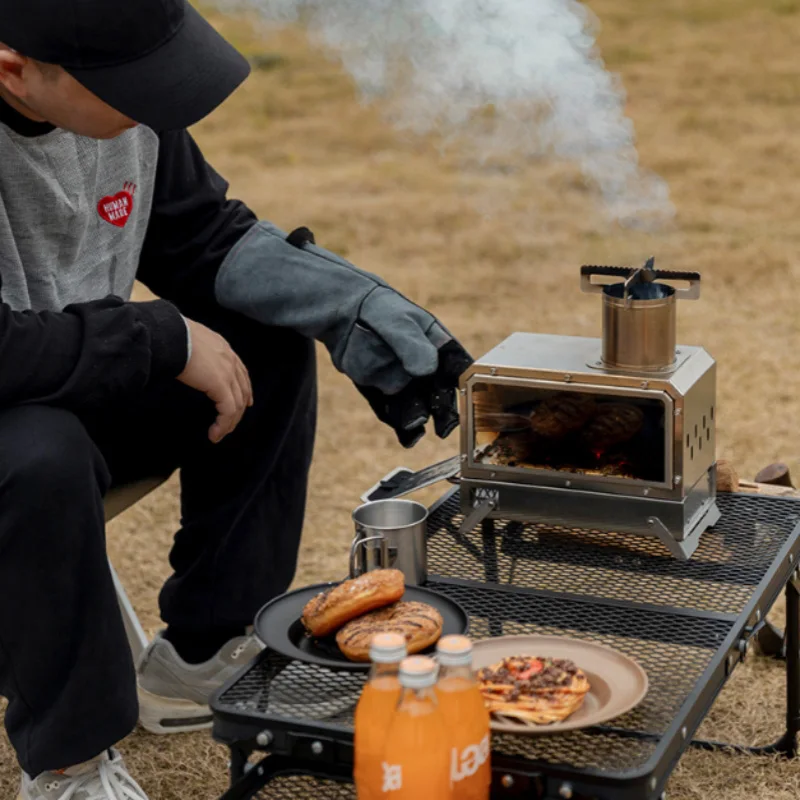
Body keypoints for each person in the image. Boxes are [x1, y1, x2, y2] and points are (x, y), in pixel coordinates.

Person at [0, 1, 472, 797]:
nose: (159, 102)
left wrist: (346, 303)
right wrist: (159, 338)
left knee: (264, 343)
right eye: (133, 85)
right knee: (40, 451)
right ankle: (69, 765)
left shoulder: (124, 111)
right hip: (22, 432)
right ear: (13, 69)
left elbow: (196, 234)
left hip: (71, 386)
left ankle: (200, 653)